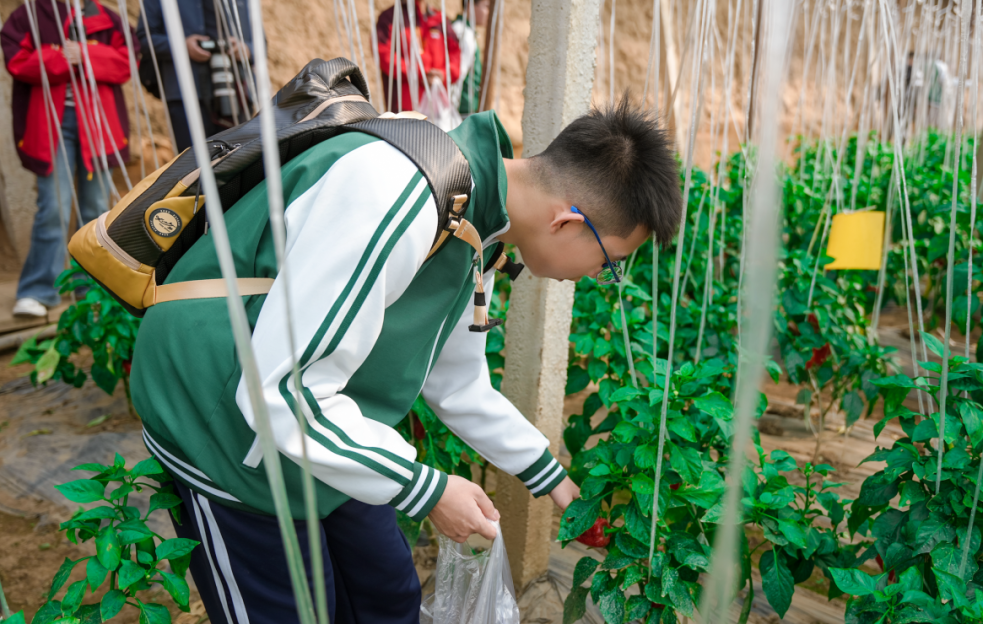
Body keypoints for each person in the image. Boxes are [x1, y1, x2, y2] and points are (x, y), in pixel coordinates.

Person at [129, 97, 682, 623]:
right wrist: (430, 491)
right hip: (226, 422)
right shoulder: (401, 197)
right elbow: (281, 392)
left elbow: (457, 382)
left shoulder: (479, 224)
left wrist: (553, 480)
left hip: (322, 415)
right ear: (567, 222)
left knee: (388, 595)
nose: (599, 276)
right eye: (610, 262)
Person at [2, 0, 137, 318]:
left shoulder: (107, 16)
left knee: (96, 207)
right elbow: (17, 62)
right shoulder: (29, 14)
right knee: (54, 207)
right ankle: (38, 290)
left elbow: (127, 63)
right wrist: (62, 57)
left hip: (99, 125)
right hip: (49, 125)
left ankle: (91, 287)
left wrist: (86, 54)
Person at [136, 0, 252, 152]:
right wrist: (182, 46)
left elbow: (259, 44)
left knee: (239, 158)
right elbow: (143, 39)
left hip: (237, 92)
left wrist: (246, 49)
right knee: (192, 162)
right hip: (184, 93)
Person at [377, 0, 460, 112]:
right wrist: (420, 74)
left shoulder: (439, 19)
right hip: (405, 107)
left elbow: (455, 56)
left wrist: (443, 75)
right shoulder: (390, 18)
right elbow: (385, 56)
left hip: (438, 107)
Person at [451, 0, 489, 116]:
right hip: (459, 110)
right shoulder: (462, 33)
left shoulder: (467, 32)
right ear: (470, 5)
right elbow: (456, 76)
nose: (488, 12)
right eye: (486, 7)